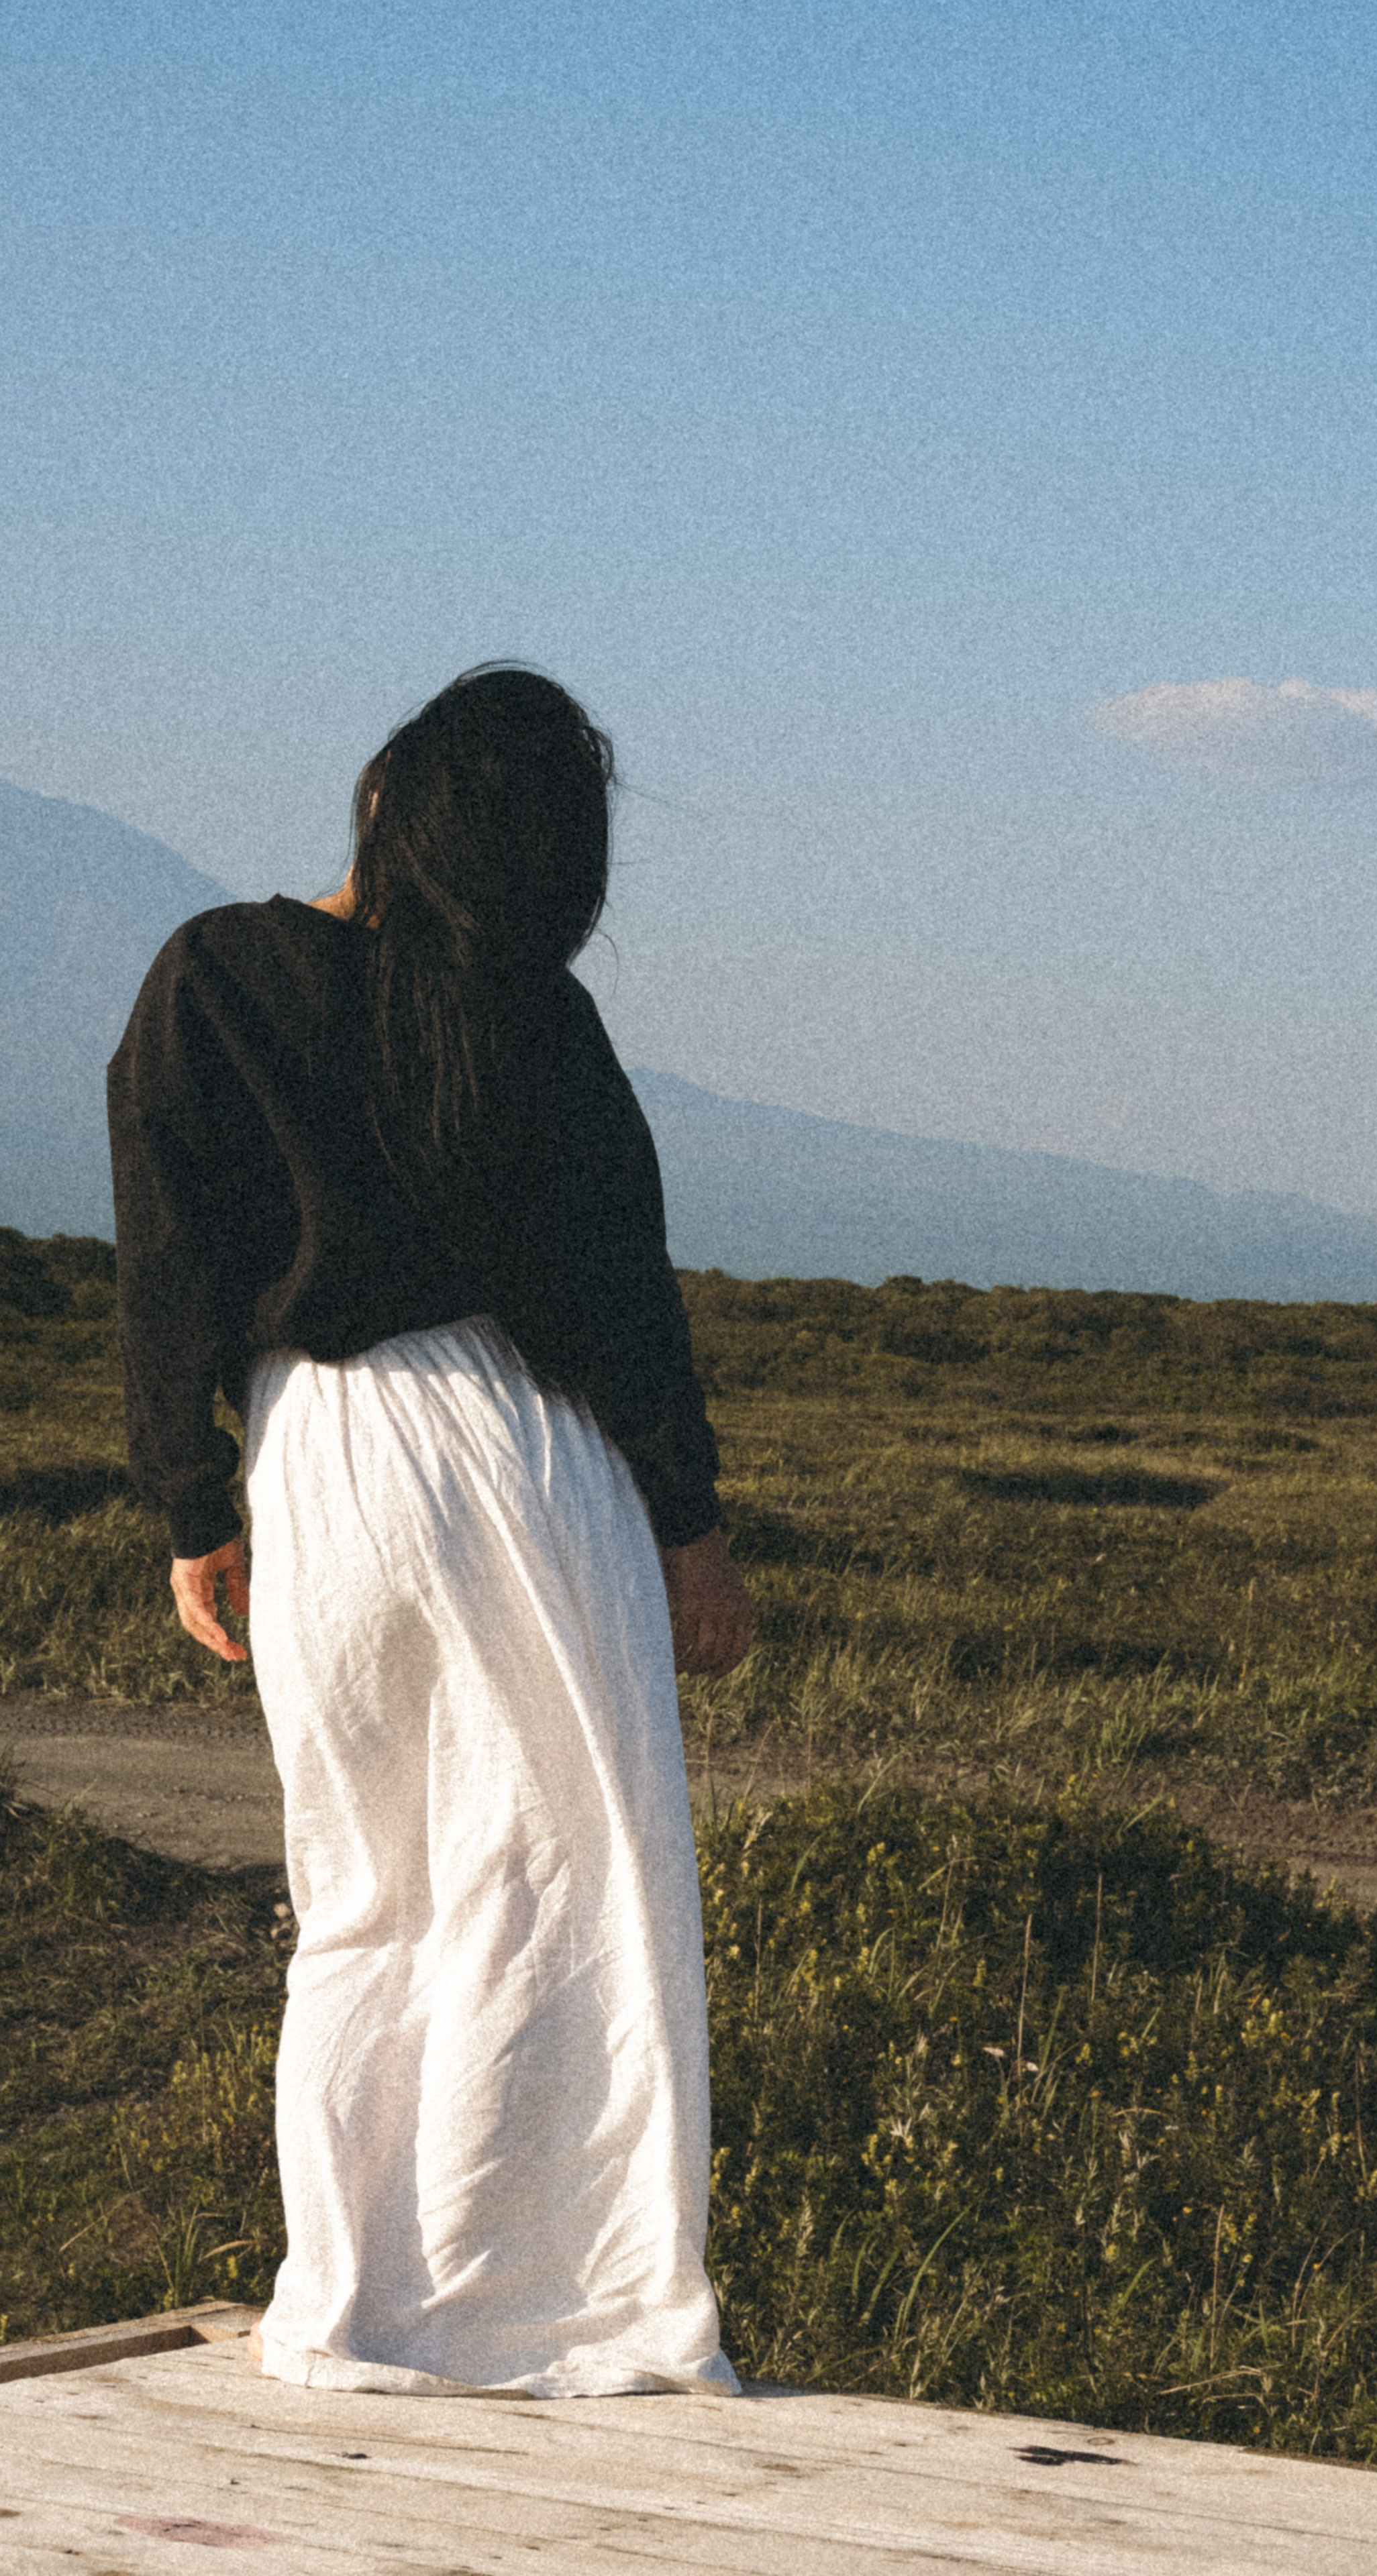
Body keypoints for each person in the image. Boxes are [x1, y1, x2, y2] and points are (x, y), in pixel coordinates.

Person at [106, 665, 753, 2398]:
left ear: (387, 799)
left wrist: (191, 1498)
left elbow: (168, 1258)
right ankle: (554, 2307)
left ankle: (356, 2304)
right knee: (560, 1891)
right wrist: (689, 1526)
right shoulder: (535, 1028)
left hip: (317, 1461)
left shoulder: (215, 981)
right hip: (529, 1472)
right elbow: (627, 1293)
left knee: (363, 1894)